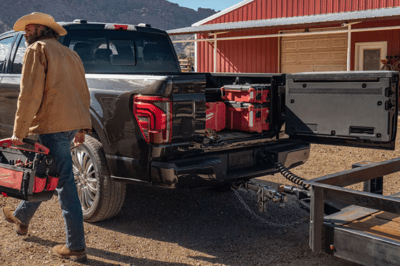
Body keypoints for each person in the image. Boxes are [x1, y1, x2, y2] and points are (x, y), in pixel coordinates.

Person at [2, 12, 91, 263]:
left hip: (52, 124)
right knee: (48, 175)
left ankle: (76, 247)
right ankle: (21, 217)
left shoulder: (37, 50)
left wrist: (19, 132)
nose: (25, 33)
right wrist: (83, 127)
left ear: (42, 29)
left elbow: (29, 94)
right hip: (70, 124)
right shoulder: (71, 54)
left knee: (64, 182)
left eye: (29, 29)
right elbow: (83, 92)